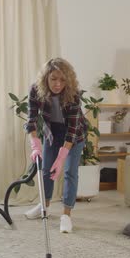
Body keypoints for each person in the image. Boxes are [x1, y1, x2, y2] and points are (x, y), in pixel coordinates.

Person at [23, 58, 87, 233]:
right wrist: (35, 145)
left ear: (68, 80)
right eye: (53, 79)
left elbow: (73, 129)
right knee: (46, 171)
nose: (58, 84)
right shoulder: (36, 91)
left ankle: (66, 215)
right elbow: (31, 120)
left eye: (62, 80)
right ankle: (44, 206)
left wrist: (62, 156)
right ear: (46, 78)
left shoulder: (73, 94)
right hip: (52, 133)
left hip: (73, 136)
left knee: (69, 172)